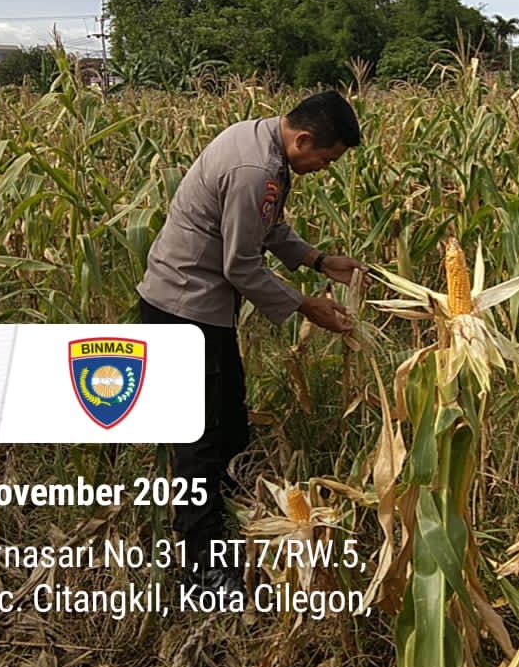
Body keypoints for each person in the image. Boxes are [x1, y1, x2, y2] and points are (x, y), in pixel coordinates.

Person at [137, 89, 365, 591]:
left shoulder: (262, 142)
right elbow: (239, 265)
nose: (324, 169)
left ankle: (234, 508)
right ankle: (201, 563)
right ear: (303, 140)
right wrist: (306, 305)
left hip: (197, 306)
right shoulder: (255, 170)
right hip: (183, 308)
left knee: (230, 416)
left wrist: (319, 260)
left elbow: (268, 227)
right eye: (326, 160)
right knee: (200, 437)